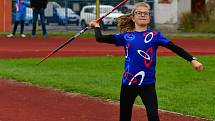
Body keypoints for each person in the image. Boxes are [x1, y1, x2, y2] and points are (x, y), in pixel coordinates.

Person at [88, 2, 203, 121]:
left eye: (146, 13)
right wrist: (96, 26)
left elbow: (174, 48)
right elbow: (100, 38)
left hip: (147, 84)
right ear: (133, 18)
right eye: (139, 13)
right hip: (128, 83)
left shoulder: (155, 35)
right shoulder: (125, 37)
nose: (143, 15)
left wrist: (192, 60)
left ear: (149, 17)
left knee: (153, 117)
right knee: (124, 117)